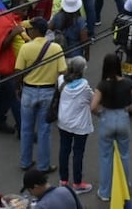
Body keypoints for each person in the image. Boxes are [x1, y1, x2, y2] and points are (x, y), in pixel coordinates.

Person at [90, 51, 132, 202]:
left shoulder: (102, 85)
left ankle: (105, 192)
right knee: (124, 155)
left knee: (106, 156)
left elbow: (93, 106)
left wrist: (101, 113)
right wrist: (127, 110)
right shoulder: (128, 83)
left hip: (107, 119)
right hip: (122, 118)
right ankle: (125, 186)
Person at [17, 15, 67, 171]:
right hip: (48, 92)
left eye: (30, 28)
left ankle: (25, 162)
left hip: (28, 91)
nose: (28, 31)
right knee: (44, 131)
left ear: (36, 30)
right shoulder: (56, 48)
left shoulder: (26, 48)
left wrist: (18, 88)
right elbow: (63, 71)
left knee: (26, 129)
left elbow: (18, 71)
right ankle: (43, 165)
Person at [56, 55, 95, 194]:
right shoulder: (84, 86)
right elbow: (93, 99)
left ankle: (63, 181)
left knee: (64, 150)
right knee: (78, 153)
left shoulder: (61, 80)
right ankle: (77, 183)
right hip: (80, 125)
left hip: (64, 121)